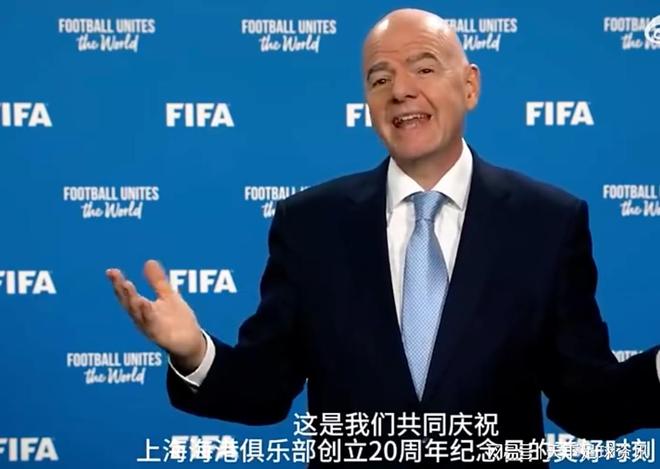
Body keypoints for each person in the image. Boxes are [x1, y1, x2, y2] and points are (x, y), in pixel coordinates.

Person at [107, 8, 660, 467]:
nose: (401, 91)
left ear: (470, 85)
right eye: (380, 79)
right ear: (367, 104)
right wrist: (193, 351)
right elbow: (265, 390)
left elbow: (588, 400)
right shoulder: (310, 224)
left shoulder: (548, 221)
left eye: (424, 67)